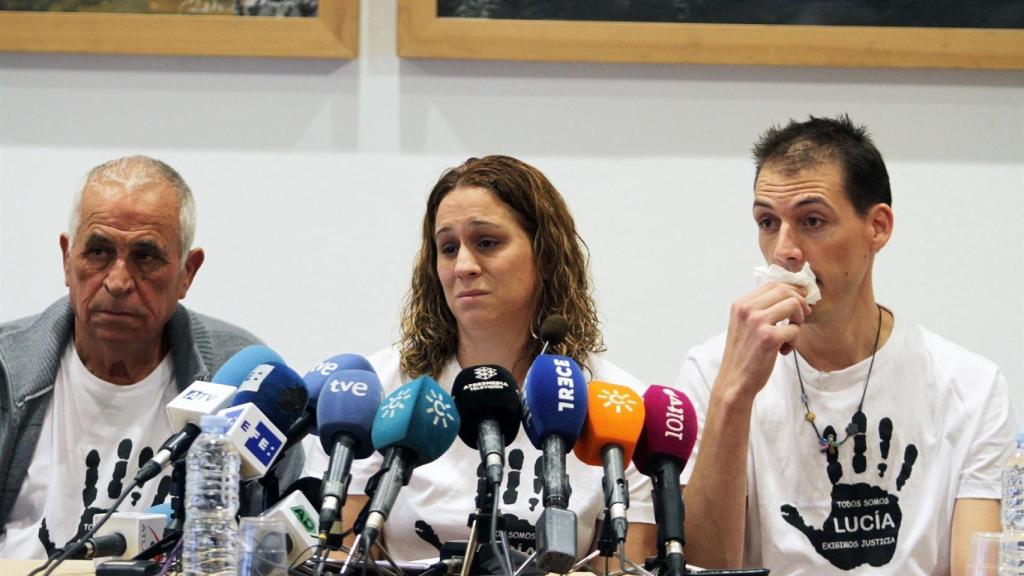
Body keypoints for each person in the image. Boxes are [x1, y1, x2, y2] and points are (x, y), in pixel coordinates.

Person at [676, 115, 1017, 575]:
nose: (784, 250)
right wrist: (732, 396)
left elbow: (982, 567)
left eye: (812, 221)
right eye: (767, 222)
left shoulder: (971, 387)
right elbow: (702, 566)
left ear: (877, 227)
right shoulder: (712, 370)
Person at [303, 155, 656, 567]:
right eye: (448, 248)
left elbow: (622, 566)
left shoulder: (619, 407)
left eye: (486, 242)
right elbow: (337, 556)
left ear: (545, 254)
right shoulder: (374, 390)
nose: (464, 267)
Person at [0, 156, 265, 559]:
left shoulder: (241, 379)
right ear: (67, 259)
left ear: (187, 273)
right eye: (99, 251)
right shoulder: (7, 368)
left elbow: (277, 550)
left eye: (145, 256)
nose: (119, 281)